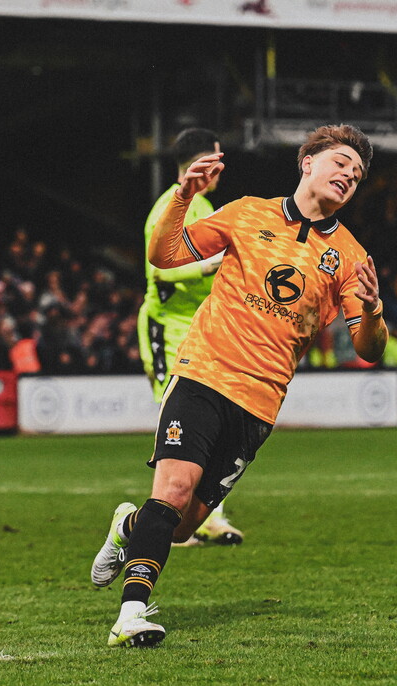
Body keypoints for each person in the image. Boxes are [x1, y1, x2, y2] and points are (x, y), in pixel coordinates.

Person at [92, 124, 388, 647]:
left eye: (358, 174)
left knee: (181, 527)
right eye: (341, 163)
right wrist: (184, 198)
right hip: (204, 373)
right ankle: (132, 613)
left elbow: (369, 347)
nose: (349, 176)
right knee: (174, 491)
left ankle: (128, 525)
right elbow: (165, 257)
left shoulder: (348, 255)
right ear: (308, 163)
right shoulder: (247, 211)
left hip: (260, 403)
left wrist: (373, 309)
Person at [137, 128, 241, 546]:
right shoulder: (171, 206)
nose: (222, 166)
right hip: (167, 328)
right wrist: (216, 263)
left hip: (199, 329)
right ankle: (169, 520)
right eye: (218, 157)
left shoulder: (204, 205)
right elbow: (162, 268)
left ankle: (203, 516)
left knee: (205, 423)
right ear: (203, 161)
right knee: (175, 424)